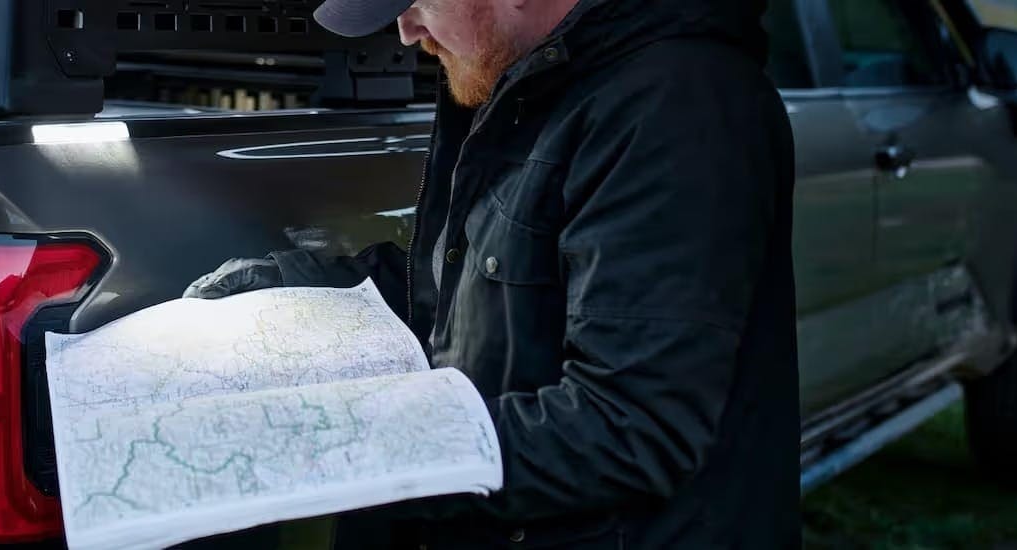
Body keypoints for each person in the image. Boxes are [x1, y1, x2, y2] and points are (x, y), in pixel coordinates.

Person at [182, 0, 798, 546]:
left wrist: (340, 444)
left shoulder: (675, 107)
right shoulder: (520, 77)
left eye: (417, 1)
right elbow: (473, 290)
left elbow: (629, 425)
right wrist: (295, 286)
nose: (404, 31)